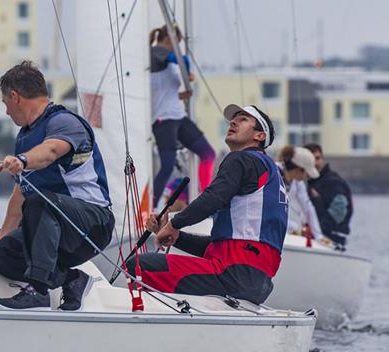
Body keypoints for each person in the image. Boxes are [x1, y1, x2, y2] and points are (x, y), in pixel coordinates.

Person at [0, 61, 115, 311]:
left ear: (15, 96)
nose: (6, 112)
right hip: (52, 226)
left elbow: (51, 151)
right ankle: (73, 280)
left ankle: (39, 292)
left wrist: (22, 160)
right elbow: (18, 196)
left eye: (5, 103)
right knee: (0, 255)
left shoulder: (65, 122)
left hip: (92, 225)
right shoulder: (24, 136)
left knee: (40, 201)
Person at [126, 104, 287, 304]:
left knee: (139, 266)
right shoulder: (269, 171)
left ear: (259, 136)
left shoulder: (242, 159)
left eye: (243, 119)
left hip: (233, 274)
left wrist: (174, 224)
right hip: (256, 283)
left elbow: (214, 198)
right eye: (233, 118)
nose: (233, 121)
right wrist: (175, 236)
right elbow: (218, 247)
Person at [149, 25, 215, 208]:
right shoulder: (155, 53)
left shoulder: (168, 61)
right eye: (177, 44)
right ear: (170, 40)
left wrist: (179, 95)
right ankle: (151, 206)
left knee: (208, 154)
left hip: (178, 115)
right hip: (163, 120)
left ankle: (206, 199)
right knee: (167, 165)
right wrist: (185, 70)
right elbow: (182, 59)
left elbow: (162, 90)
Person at [303, 143, 353, 248]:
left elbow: (340, 209)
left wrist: (320, 228)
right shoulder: (308, 182)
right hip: (317, 237)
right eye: (312, 159)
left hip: (332, 238)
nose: (315, 162)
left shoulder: (332, 181)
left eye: (318, 158)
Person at [275, 145, 323, 239]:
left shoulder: (296, 180)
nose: (307, 176)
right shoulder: (274, 175)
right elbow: (272, 211)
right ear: (298, 169)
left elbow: (307, 206)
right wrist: (295, 228)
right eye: (306, 172)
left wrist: (318, 235)